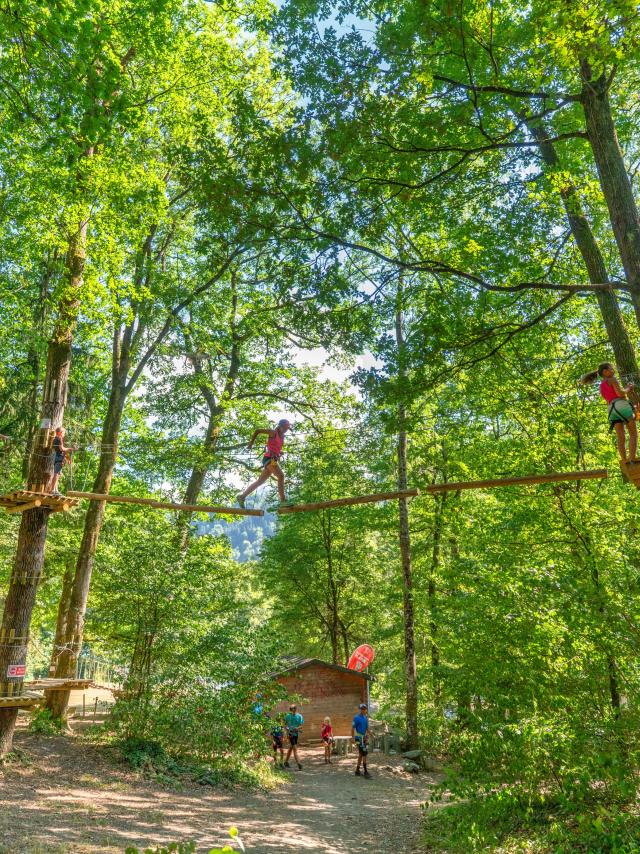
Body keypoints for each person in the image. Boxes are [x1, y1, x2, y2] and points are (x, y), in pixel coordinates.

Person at [580, 363, 639, 463]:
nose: (613, 370)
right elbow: (620, 393)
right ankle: (632, 458)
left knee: (620, 437)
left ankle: (624, 460)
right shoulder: (612, 379)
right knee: (633, 433)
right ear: (605, 371)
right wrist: (629, 388)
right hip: (621, 405)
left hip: (611, 410)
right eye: (611, 368)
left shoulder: (601, 386)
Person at [236, 419, 291, 508]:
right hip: (269, 459)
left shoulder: (282, 437)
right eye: (285, 428)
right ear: (280, 427)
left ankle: (242, 497)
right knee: (281, 476)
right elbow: (258, 431)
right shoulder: (273, 432)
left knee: (260, 481)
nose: (286, 429)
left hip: (273, 459)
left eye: (287, 428)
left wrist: (279, 452)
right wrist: (251, 443)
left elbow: (274, 447)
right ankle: (283, 501)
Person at [50, 427, 75, 495]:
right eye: (63, 432)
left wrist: (67, 458)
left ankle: (56, 490)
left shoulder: (54, 439)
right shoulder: (59, 438)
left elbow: (59, 450)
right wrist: (70, 449)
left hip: (57, 457)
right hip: (59, 458)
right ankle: (53, 490)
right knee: (56, 474)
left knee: (57, 474)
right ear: (60, 432)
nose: (64, 434)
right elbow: (61, 449)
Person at [351, 702, 371, 778]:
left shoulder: (365, 718)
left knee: (361, 754)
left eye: (364, 709)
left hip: (364, 738)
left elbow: (367, 728)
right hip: (359, 738)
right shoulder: (356, 718)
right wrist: (352, 737)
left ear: (366, 709)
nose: (363, 710)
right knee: (364, 753)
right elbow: (352, 728)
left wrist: (372, 735)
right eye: (362, 709)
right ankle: (365, 771)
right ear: (360, 709)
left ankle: (357, 770)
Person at [284, 703, 304, 770]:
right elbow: (285, 725)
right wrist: (287, 729)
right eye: (291, 709)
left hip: (296, 734)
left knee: (291, 748)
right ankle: (299, 764)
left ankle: (286, 762)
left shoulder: (299, 716)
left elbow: (301, 726)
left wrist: (297, 728)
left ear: (296, 709)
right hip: (290, 734)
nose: (293, 710)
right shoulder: (287, 716)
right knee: (295, 748)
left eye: (294, 709)